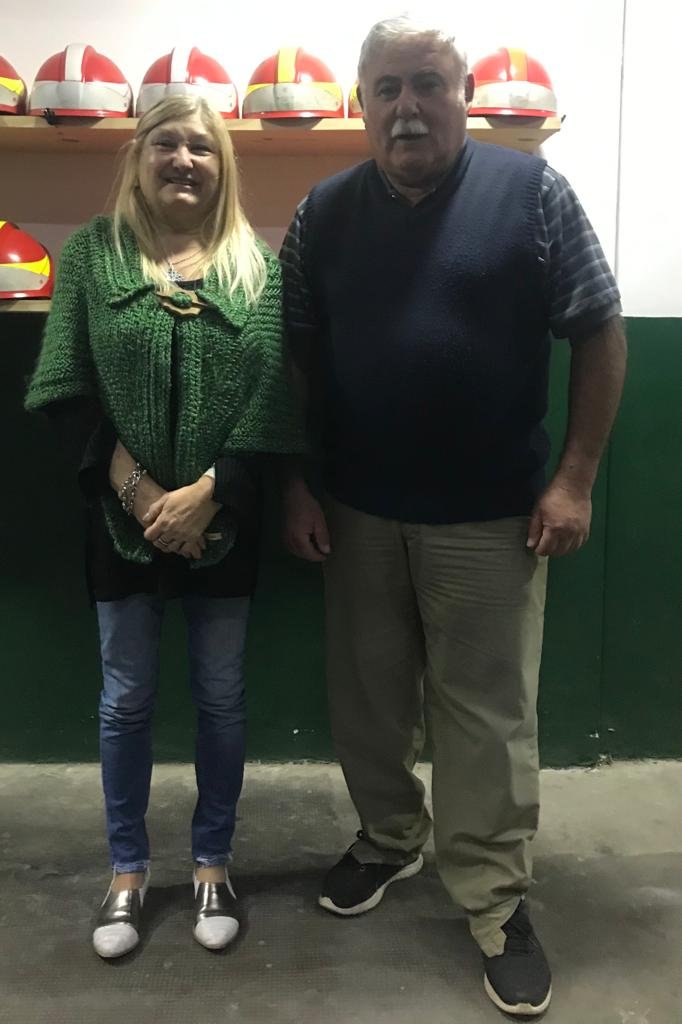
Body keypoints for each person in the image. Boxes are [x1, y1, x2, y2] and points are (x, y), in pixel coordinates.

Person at [280, 15, 626, 1018]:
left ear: (462, 94)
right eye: (386, 89)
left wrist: (574, 480)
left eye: (427, 83)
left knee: (485, 715)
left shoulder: (535, 195)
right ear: (361, 104)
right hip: (356, 509)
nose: (407, 108)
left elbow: (600, 334)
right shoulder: (321, 213)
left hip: (490, 518)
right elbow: (295, 358)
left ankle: (494, 896)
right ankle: (390, 837)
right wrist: (298, 482)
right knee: (369, 701)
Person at [25, 94, 306, 959]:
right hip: (121, 521)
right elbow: (65, 389)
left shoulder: (256, 267)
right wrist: (144, 495)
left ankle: (214, 862)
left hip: (225, 522)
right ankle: (127, 871)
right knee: (125, 701)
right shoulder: (92, 255)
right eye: (167, 143)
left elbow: (271, 403)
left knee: (221, 697)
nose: (184, 159)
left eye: (202, 147)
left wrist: (209, 495)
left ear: (224, 165)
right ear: (138, 156)